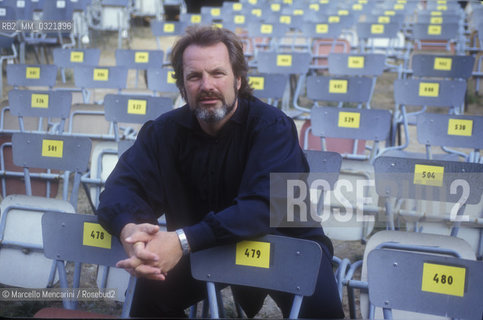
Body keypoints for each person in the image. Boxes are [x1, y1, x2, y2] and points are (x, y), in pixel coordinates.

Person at [97, 25, 344, 318]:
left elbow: (265, 208)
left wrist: (181, 240)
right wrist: (131, 228)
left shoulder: (272, 128)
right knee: (147, 294)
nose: (207, 85)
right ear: (182, 86)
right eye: (194, 76)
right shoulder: (164, 132)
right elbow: (119, 189)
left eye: (217, 73)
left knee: (322, 312)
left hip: (285, 246)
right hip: (203, 247)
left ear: (238, 80)